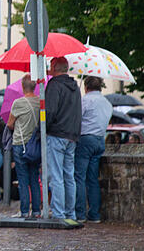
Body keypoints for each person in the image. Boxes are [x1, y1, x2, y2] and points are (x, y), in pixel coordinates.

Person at [45, 56, 82, 221]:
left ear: (54, 67)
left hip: (57, 134)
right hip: (72, 135)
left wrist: (42, 128)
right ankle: (70, 213)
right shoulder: (75, 86)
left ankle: (59, 213)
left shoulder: (54, 85)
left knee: (56, 175)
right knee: (69, 175)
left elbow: (50, 111)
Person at [74, 76, 113, 223]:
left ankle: (80, 213)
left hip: (85, 139)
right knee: (93, 179)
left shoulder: (85, 101)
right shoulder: (107, 103)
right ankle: (94, 214)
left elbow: (77, 119)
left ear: (86, 87)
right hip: (99, 140)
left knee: (79, 177)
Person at [6, 74, 41, 218]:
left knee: (22, 179)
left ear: (22, 86)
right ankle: (37, 211)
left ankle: (25, 211)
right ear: (35, 87)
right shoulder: (40, 102)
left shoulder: (18, 103)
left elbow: (9, 124)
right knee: (34, 178)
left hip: (20, 144)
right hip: (36, 145)